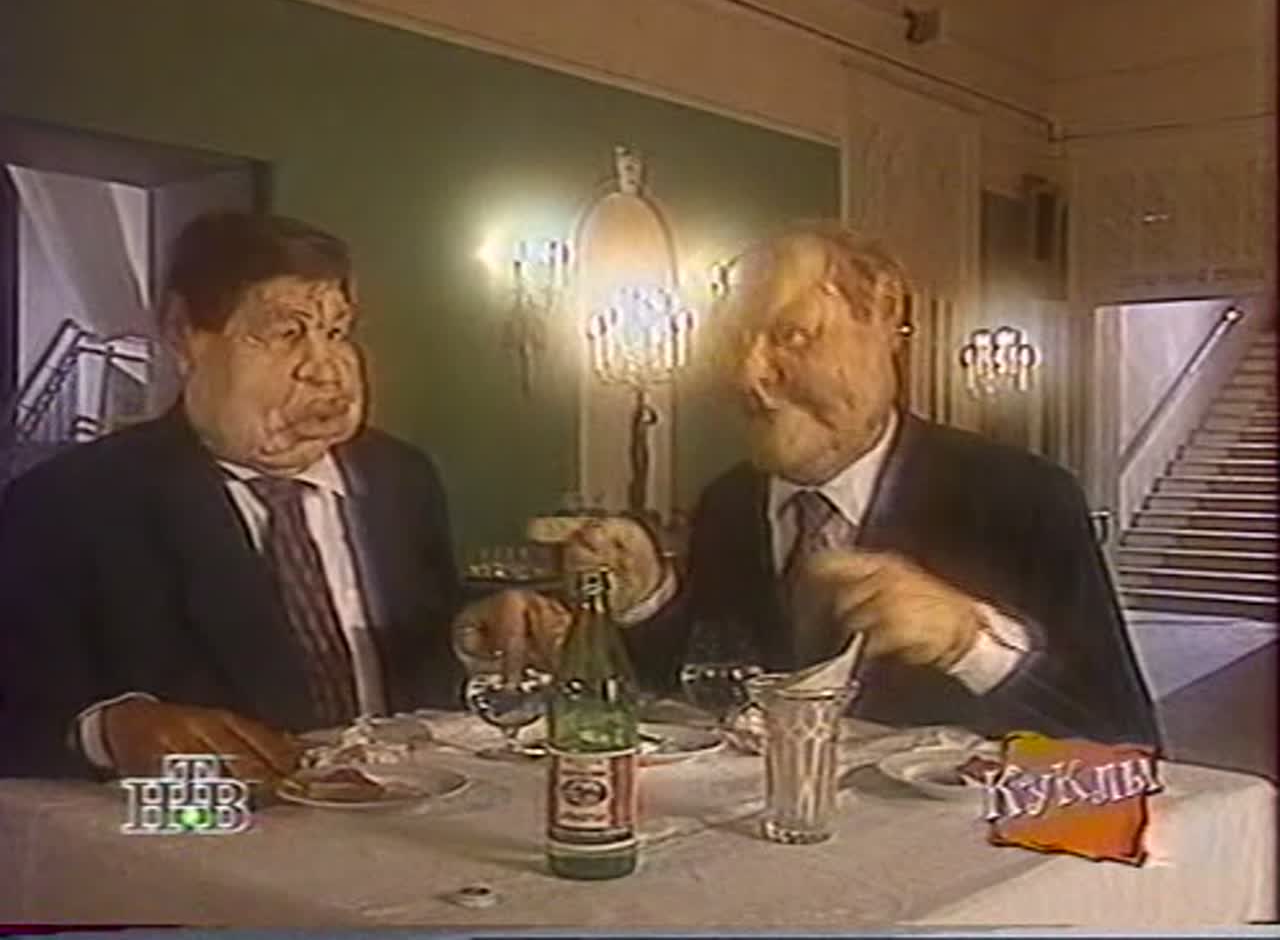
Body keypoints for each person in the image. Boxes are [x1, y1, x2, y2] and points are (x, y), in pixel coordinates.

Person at [454, 221, 1159, 747]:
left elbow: (1123, 738)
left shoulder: (1021, 499)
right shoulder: (729, 503)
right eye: (735, 342)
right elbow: (699, 696)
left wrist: (968, 644)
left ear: (883, 315)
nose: (747, 376)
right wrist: (646, 602)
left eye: (790, 336)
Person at [0, 212, 523, 780]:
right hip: (213, 823)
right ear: (184, 335)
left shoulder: (402, 477)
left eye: (337, 332)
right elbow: (18, 711)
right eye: (287, 333)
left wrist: (473, 638)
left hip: (409, 811)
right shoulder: (68, 504)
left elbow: (423, 658)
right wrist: (107, 731)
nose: (326, 371)